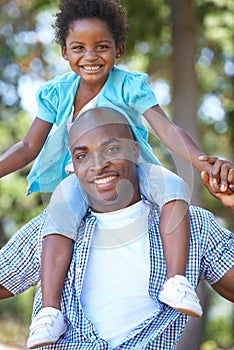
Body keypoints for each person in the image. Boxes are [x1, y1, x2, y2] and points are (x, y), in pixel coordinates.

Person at [0, 0, 233, 347]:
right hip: (71, 185)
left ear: (118, 49)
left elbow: (166, 130)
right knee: (59, 215)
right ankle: (50, 311)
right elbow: (27, 147)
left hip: (144, 169)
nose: (90, 56)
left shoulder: (129, 86)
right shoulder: (58, 93)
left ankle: (176, 279)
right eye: (79, 48)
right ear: (64, 52)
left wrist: (203, 163)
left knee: (174, 186)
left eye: (102, 47)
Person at [5, 107, 233, 349]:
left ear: (134, 151)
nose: (98, 165)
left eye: (111, 149)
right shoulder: (52, 230)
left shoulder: (193, 225)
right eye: (82, 156)